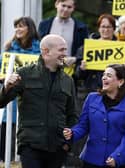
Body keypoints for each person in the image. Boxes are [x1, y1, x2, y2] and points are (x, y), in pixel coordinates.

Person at [0, 34, 78, 168]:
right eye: (61, 50)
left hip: (57, 147)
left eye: (65, 50)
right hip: (30, 146)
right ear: (46, 51)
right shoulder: (24, 73)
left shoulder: (68, 80)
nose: (65, 54)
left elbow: (72, 115)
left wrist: (67, 144)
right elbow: (1, 103)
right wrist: (6, 88)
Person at [63, 64, 125, 168]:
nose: (104, 77)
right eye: (103, 74)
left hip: (119, 162)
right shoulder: (91, 98)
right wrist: (72, 133)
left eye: (109, 75)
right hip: (92, 160)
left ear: (120, 82)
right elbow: (83, 126)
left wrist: (117, 156)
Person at [0, 16, 40, 162]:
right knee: (7, 126)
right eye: (16, 26)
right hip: (11, 94)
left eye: (21, 26)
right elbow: (1, 68)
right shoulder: (9, 47)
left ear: (30, 29)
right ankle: (5, 160)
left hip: (32, 95)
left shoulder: (40, 48)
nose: (17, 29)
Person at [75, 14, 125, 93]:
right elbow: (77, 74)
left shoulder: (123, 48)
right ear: (99, 28)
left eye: (109, 27)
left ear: (114, 29)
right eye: (103, 27)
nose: (106, 30)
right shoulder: (86, 47)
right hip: (90, 90)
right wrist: (81, 69)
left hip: (113, 92)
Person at [38, 0, 88, 77]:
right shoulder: (44, 25)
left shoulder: (81, 28)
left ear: (73, 8)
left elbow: (85, 50)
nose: (65, 9)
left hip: (70, 71)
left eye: (69, 7)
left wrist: (75, 59)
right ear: (56, 4)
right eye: (63, 6)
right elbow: (39, 47)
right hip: (46, 70)